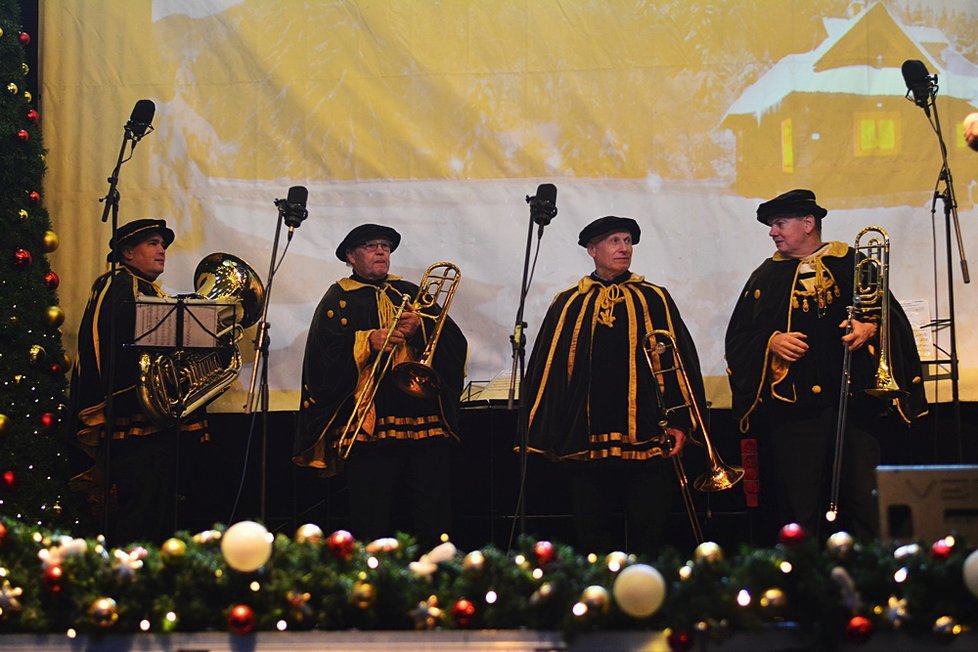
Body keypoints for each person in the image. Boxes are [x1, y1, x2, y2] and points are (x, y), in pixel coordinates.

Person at [724, 189, 927, 540]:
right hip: (794, 414)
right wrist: (771, 341)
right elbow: (739, 340)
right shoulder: (765, 278)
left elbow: (893, 320)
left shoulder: (853, 264)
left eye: (780, 223)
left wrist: (871, 328)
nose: (773, 232)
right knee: (798, 507)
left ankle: (868, 581)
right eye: (772, 225)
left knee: (865, 501)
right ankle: (803, 582)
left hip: (857, 409)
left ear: (808, 223)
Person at [521, 216, 708, 555]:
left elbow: (679, 363)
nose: (624, 248)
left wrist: (681, 422)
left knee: (649, 531)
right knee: (592, 533)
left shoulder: (654, 297)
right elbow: (549, 371)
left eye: (627, 241)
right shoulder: (569, 302)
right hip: (587, 442)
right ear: (592, 250)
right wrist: (552, 431)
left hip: (648, 437)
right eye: (614, 241)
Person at [293, 224, 467, 550]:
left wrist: (420, 329)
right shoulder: (338, 298)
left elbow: (454, 342)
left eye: (385, 246)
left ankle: (436, 571)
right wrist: (365, 342)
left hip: (422, 420)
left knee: (433, 509)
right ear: (350, 255)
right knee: (371, 511)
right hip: (368, 426)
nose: (380, 251)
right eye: (370, 245)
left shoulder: (412, 292)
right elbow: (321, 358)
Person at [66, 218, 206, 545]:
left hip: (153, 418)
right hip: (134, 416)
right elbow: (109, 347)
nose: (162, 251)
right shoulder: (117, 285)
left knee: (157, 508)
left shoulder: (146, 290)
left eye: (163, 245)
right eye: (153, 244)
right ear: (127, 252)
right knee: (139, 510)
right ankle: (131, 581)